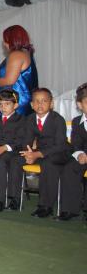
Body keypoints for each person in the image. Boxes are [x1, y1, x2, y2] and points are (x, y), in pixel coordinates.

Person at [20, 88, 70, 218]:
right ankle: (12, 199)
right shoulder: (30, 119)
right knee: (16, 158)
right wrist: (28, 154)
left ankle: (46, 206)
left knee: (48, 164)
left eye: (44, 101)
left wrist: (37, 155)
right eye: (36, 101)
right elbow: (26, 141)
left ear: (51, 104)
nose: (40, 104)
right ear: (31, 105)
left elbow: (60, 145)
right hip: (41, 152)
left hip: (60, 152)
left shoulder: (57, 119)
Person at [0, 25, 38, 116]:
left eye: (5, 40)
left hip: (13, 101)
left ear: (12, 39)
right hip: (17, 99)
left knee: (10, 128)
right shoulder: (26, 53)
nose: (5, 43)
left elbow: (9, 80)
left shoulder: (16, 54)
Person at [57, 83, 87, 221]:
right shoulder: (76, 122)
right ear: (79, 105)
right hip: (83, 157)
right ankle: (70, 209)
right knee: (69, 168)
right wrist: (79, 154)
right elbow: (76, 143)